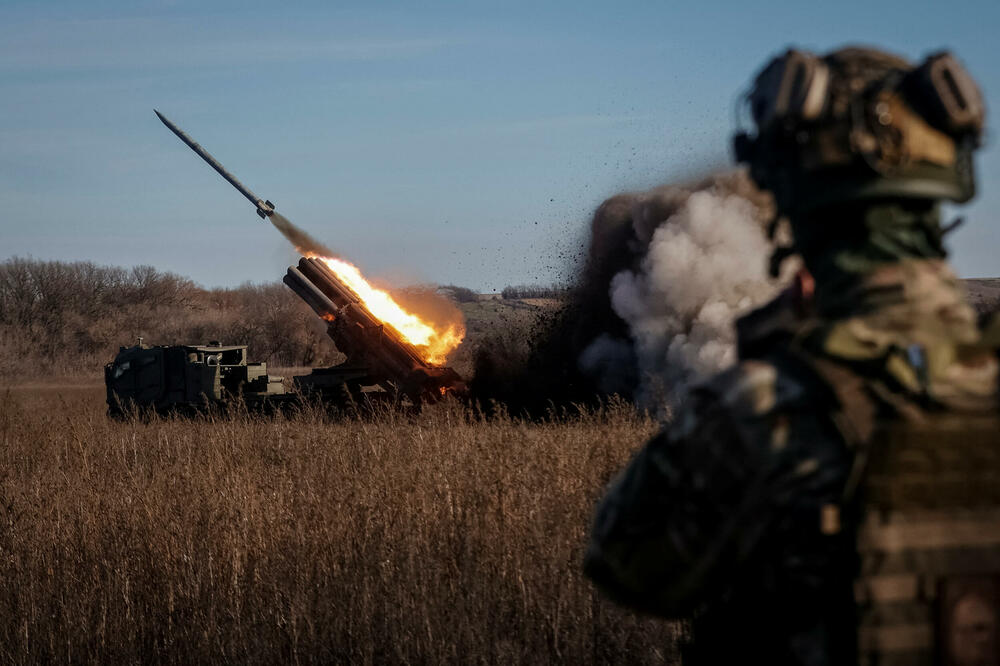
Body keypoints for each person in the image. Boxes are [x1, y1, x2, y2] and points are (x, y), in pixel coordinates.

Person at [585, 46, 998, 665]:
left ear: (793, 193)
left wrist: (772, 355)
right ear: (948, 180)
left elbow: (623, 562)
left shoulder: (765, 404)